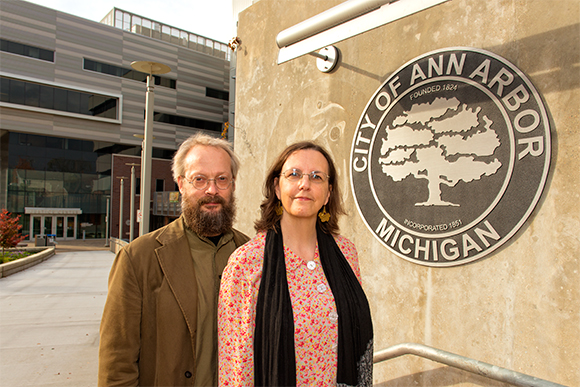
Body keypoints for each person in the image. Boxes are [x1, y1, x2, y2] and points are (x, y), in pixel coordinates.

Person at [98, 133, 250, 386]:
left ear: (232, 184)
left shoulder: (253, 255)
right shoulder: (138, 259)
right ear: (181, 183)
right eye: (199, 179)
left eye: (221, 179)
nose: (212, 190)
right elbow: (117, 360)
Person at [218, 141, 373, 386]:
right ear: (277, 188)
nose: (305, 184)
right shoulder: (245, 264)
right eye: (294, 174)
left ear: (328, 193)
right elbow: (235, 366)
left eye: (317, 177)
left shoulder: (346, 253)